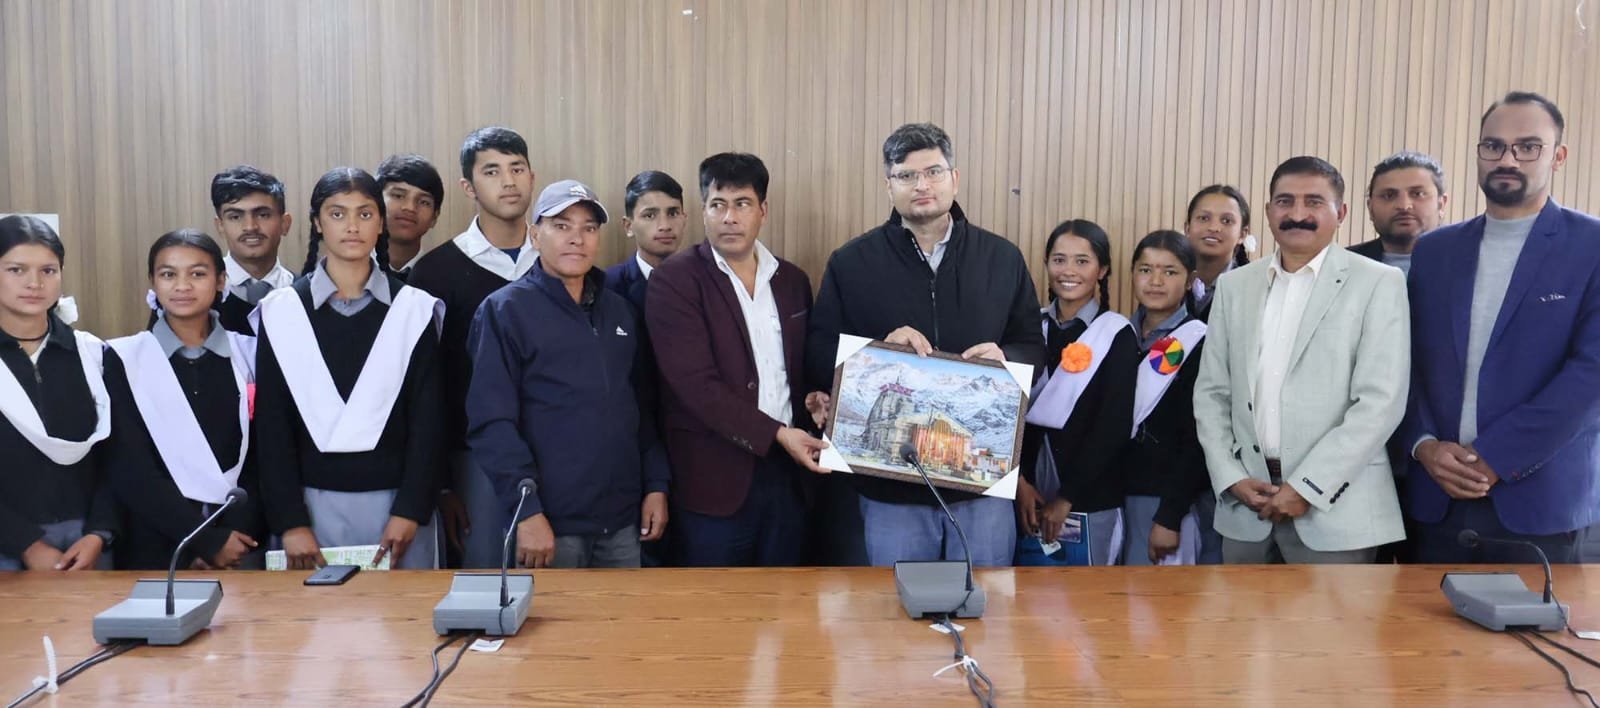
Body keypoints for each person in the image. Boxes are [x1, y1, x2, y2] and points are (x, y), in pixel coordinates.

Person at [805, 123, 1043, 567]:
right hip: (890, 489)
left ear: (955, 178)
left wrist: (1006, 358)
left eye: (933, 172)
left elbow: (1032, 344)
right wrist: (879, 352)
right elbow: (818, 352)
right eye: (906, 175)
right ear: (888, 185)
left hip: (982, 490)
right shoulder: (852, 262)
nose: (922, 185)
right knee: (899, 604)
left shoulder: (1001, 258)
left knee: (986, 601)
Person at [1404, 92, 1600, 564]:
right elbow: (1403, 363)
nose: (1508, 159)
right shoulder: (1434, 251)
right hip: (1435, 496)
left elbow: (1591, 375)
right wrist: (1423, 445)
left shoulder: (1591, 245)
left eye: (1528, 147)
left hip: (1541, 502)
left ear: (1558, 156)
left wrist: (1496, 455)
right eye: (1493, 146)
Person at [1194, 156, 1409, 564]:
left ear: (1341, 212)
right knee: (1238, 610)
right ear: (1268, 211)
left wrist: (1308, 486)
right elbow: (1211, 393)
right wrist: (1231, 477)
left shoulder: (1378, 282)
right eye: (1285, 201)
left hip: (1336, 510)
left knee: (1333, 613)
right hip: (1246, 506)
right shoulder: (1235, 286)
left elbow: (1380, 403)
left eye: (1314, 202)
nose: (1297, 214)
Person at [468, 180, 669, 569]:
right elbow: (491, 423)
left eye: (588, 228)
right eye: (561, 226)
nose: (577, 238)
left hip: (622, 521)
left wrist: (656, 485)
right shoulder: (505, 311)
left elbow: (642, 408)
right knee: (549, 613)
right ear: (535, 235)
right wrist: (526, 512)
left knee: (624, 611)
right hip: (549, 524)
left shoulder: (620, 311)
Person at [254, 167, 444, 570]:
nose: (352, 226)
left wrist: (411, 509)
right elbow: (272, 427)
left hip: (398, 510)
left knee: (403, 612)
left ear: (381, 223)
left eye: (365, 213)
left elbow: (428, 423)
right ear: (317, 223)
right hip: (310, 509)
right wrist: (290, 522)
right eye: (337, 214)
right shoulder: (282, 311)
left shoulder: (414, 309)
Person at [647, 152, 827, 567]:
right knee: (716, 603)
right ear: (703, 212)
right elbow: (695, 386)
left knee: (785, 598)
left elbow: (795, 370)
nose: (729, 218)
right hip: (713, 480)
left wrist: (814, 397)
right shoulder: (675, 281)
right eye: (718, 205)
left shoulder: (792, 280)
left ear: (763, 210)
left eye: (742, 204)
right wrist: (777, 433)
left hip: (789, 474)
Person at [406, 127, 538, 568]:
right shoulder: (434, 273)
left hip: (558, 449)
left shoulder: (559, 260)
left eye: (517, 168)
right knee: (487, 581)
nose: (509, 182)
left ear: (532, 177)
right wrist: (443, 483)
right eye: (492, 171)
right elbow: (427, 387)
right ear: (469, 187)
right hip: (472, 460)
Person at [106, 229, 265, 570]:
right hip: (156, 544)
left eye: (197, 274)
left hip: (240, 541)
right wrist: (203, 543)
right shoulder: (122, 359)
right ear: (153, 282)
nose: (182, 286)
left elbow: (263, 456)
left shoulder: (250, 353)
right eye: (168, 274)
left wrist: (231, 538)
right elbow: (132, 468)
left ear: (220, 280)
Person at [1015, 220, 1137, 566]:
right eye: (1059, 260)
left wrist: (1067, 498)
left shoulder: (1116, 333)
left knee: (1088, 596)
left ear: (1103, 270)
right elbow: (1006, 413)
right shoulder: (1027, 328)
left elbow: (1113, 426)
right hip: (1027, 497)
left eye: (1082, 261)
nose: (1068, 271)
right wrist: (1018, 483)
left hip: (1090, 497)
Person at [0, 215, 116, 570]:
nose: (34, 283)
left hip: (89, 544)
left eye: (48, 271)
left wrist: (100, 532)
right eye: (16, 270)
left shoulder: (93, 354)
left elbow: (118, 456)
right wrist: (26, 544)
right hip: (8, 545)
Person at [1117, 230, 1216, 565]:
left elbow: (1198, 437)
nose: (1155, 281)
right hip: (1113, 497)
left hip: (1166, 503)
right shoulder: (1116, 335)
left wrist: (1170, 515)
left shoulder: (1199, 342)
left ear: (1189, 280)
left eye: (1169, 271)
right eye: (1145, 270)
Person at [211, 165, 296, 334]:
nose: (250, 227)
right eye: (235, 217)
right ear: (220, 226)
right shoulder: (198, 295)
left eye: (263, 215)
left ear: (285, 224)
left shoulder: (306, 294)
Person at [1350, 150, 1450, 277]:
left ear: (1441, 204)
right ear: (1370, 208)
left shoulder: (1467, 261)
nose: (1404, 206)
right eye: (1388, 195)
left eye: (1418, 194)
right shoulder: (1342, 265)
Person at [607, 170, 688, 314]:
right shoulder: (607, 286)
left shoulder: (704, 281)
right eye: (650, 215)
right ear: (628, 226)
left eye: (673, 213)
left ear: (684, 220)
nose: (665, 226)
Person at [1183, 185, 1253, 322]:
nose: (1214, 228)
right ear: (1187, 228)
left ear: (1242, 234)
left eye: (1226, 221)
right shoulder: (1169, 280)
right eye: (1204, 218)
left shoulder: (1254, 288)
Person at [376, 153, 445, 279]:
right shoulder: (344, 268)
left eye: (424, 202)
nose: (410, 208)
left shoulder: (446, 277)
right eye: (398, 196)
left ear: (434, 217)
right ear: (376, 202)